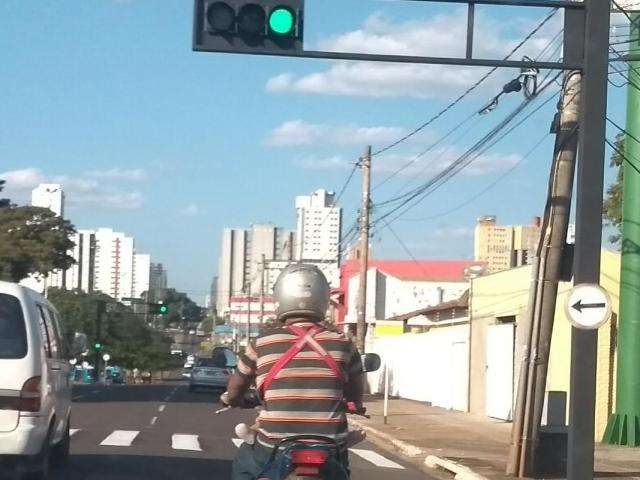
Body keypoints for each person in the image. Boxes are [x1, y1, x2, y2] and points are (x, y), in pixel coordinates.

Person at [224, 264, 364, 480]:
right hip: (329, 445)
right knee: (341, 469)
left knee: (244, 464)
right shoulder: (344, 342)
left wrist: (231, 398)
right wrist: (356, 403)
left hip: (274, 445)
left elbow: (238, 383)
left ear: (279, 297)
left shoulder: (262, 341)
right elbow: (356, 388)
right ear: (324, 299)